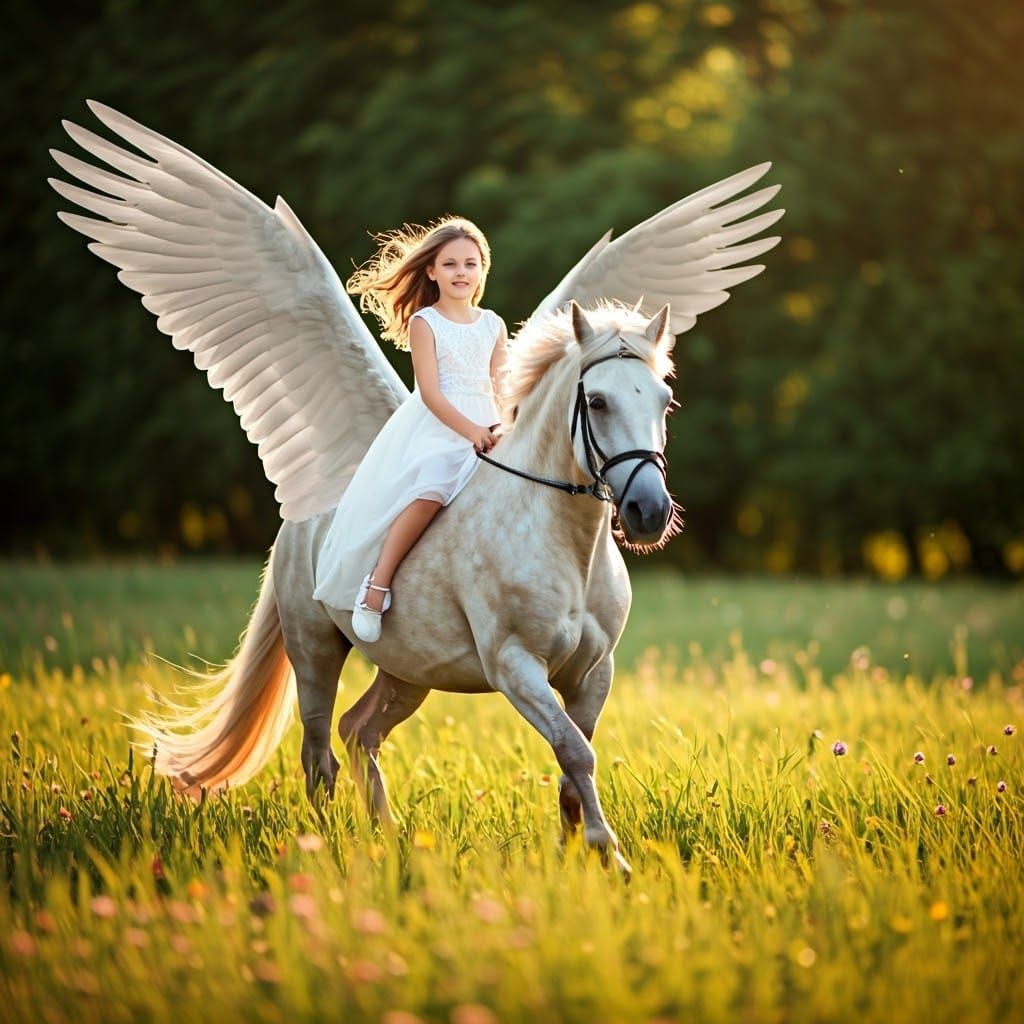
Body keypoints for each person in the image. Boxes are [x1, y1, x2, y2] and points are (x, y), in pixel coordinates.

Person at [312, 217, 507, 642]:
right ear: (432, 271)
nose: (461, 272)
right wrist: (471, 430)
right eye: (450, 264)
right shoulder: (426, 323)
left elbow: (501, 385)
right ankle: (376, 586)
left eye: (470, 264)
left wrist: (502, 425)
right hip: (439, 428)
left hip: (487, 426)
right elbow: (432, 394)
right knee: (431, 489)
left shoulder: (492, 323)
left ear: (482, 271)